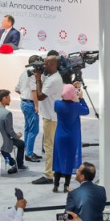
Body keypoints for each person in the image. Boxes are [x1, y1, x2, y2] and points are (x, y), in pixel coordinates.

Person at [32, 55, 63, 185]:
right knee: (52, 146)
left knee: (48, 146)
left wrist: (38, 79)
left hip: (50, 117)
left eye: (45, 64)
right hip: (53, 115)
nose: (43, 66)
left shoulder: (52, 80)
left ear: (52, 65)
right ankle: (55, 171)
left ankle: (48, 175)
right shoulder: (54, 77)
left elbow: (39, 96)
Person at [51, 84, 88, 193]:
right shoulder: (76, 106)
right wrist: (81, 98)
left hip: (60, 135)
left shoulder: (57, 104)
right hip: (72, 136)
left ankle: (55, 185)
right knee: (70, 159)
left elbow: (60, 101)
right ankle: (66, 185)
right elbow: (86, 111)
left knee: (58, 158)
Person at [0, 89, 26, 173]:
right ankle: (19, 164)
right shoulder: (7, 113)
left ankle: (12, 163)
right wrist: (17, 135)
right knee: (21, 143)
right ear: (4, 98)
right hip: (3, 140)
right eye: (9, 97)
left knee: (3, 143)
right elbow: (10, 131)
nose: (10, 99)